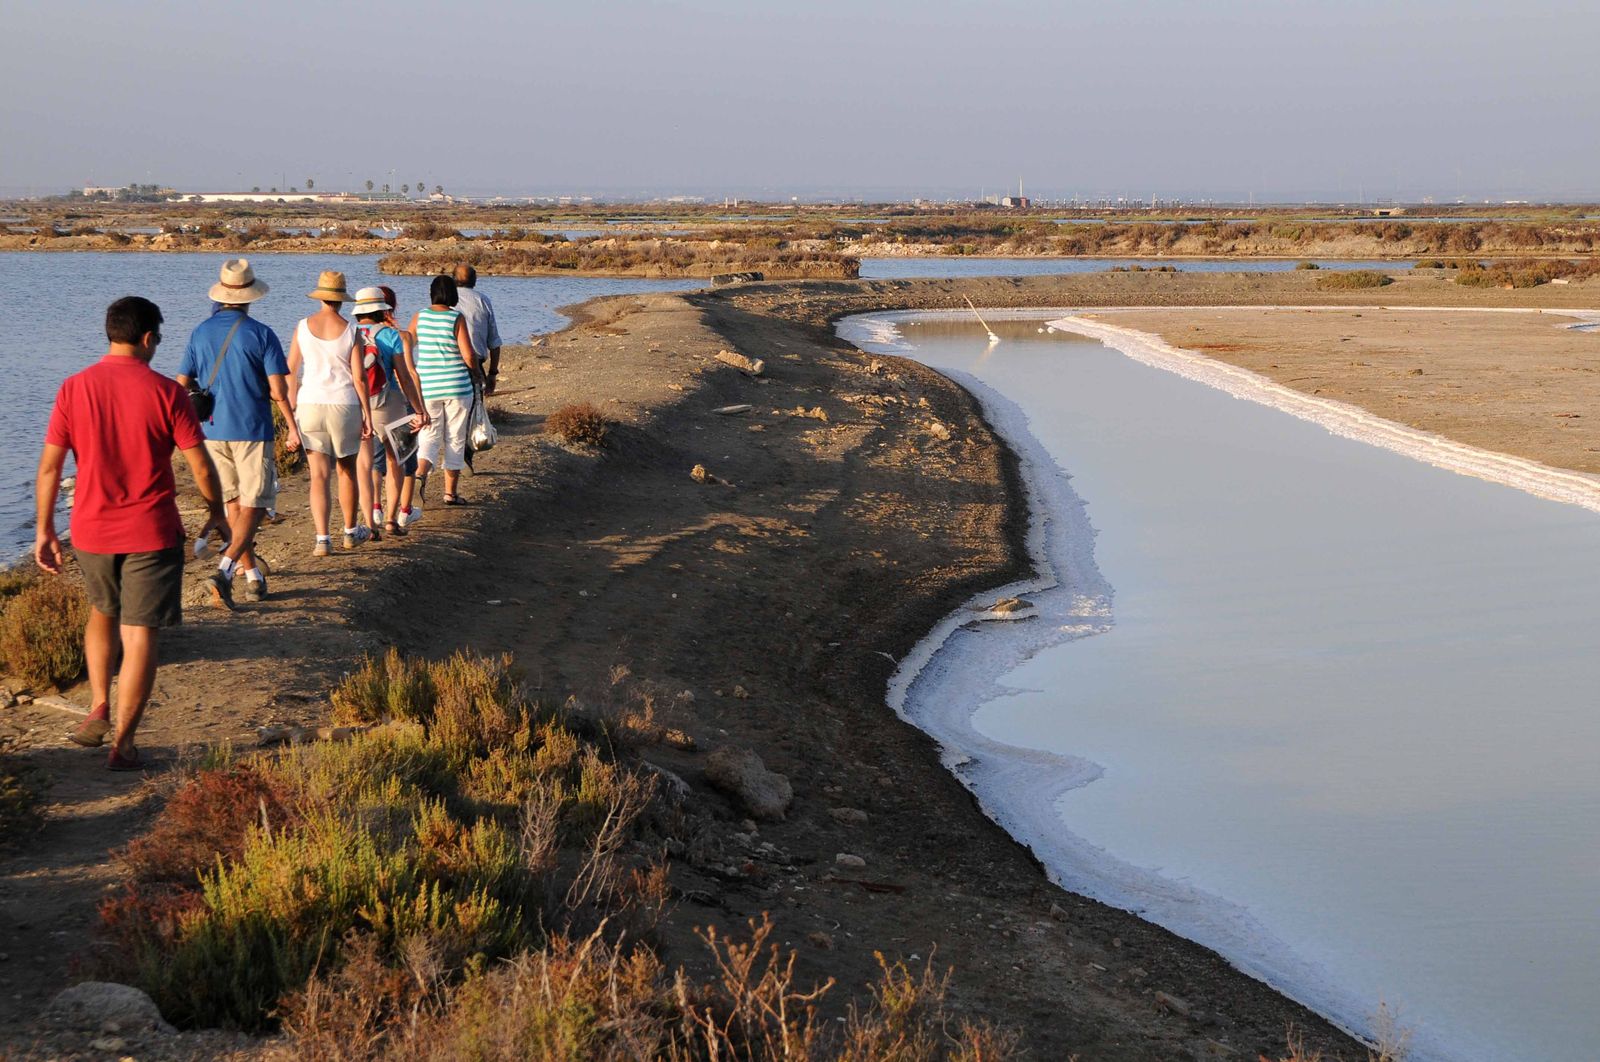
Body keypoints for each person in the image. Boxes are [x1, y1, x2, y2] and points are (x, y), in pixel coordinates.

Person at [35, 296, 229, 771]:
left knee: (102, 612)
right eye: (158, 339)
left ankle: (98, 705)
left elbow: (49, 469)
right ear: (147, 339)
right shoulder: (167, 393)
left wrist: (44, 530)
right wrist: (217, 512)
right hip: (151, 529)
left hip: (90, 527)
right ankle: (124, 742)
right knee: (140, 632)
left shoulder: (73, 387)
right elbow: (200, 465)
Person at [176, 259, 299, 606]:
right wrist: (289, 423)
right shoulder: (261, 333)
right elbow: (278, 391)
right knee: (256, 504)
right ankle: (227, 569)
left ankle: (253, 576)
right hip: (252, 427)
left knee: (231, 503)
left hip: (211, 429)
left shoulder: (199, 332)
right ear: (250, 296)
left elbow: (181, 383)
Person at [286, 271, 373, 555]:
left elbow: (291, 372)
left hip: (310, 404)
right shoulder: (351, 331)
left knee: (318, 476)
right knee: (346, 470)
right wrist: (367, 415)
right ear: (341, 299)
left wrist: (290, 414)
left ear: (321, 296)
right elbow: (359, 378)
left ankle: (322, 539)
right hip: (344, 404)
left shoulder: (302, 326)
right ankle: (349, 531)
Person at [351, 285, 427, 537]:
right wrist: (418, 408)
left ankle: (370, 522)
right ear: (381, 310)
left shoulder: (348, 333)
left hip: (357, 403)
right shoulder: (390, 335)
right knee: (396, 460)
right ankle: (392, 519)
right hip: (389, 401)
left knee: (366, 463)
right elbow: (403, 376)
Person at [410, 274, 480, 506]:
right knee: (455, 437)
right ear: (453, 294)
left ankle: (419, 475)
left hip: (428, 386)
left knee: (428, 435)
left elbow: (407, 344)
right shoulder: (455, 317)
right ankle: (450, 493)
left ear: (432, 293)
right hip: (457, 386)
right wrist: (477, 374)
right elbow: (468, 355)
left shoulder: (420, 316)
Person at [452, 263, 501, 395]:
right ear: (474, 280)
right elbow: (494, 341)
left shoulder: (443, 301)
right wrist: (492, 373)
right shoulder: (482, 300)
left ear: (453, 279)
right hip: (474, 365)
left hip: (446, 362)